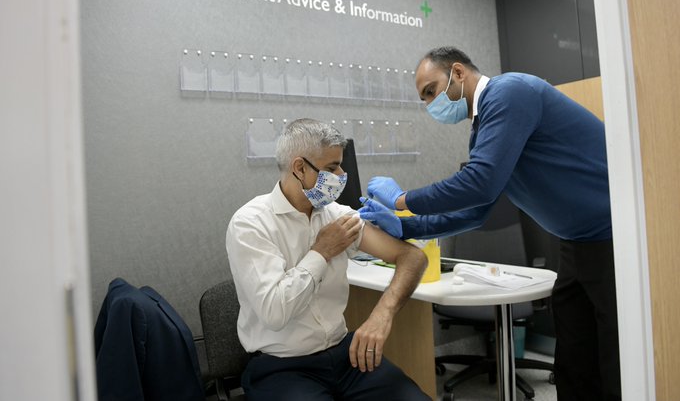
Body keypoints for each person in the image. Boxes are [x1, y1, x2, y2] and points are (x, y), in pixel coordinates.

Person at [359, 47, 621, 401]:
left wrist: (403, 199)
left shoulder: (510, 92)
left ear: (458, 72)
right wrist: (406, 228)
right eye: (424, 99)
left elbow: (481, 182)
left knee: (615, 361)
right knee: (575, 361)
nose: (430, 104)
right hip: (576, 243)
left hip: (614, 239)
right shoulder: (483, 127)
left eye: (431, 91)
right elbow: (477, 209)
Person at [226, 118, 430, 401]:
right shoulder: (251, 224)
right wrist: (321, 252)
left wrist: (381, 316)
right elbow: (274, 312)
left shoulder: (337, 215)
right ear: (299, 168)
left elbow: (412, 257)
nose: (342, 175)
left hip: (346, 356)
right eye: (332, 168)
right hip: (282, 366)